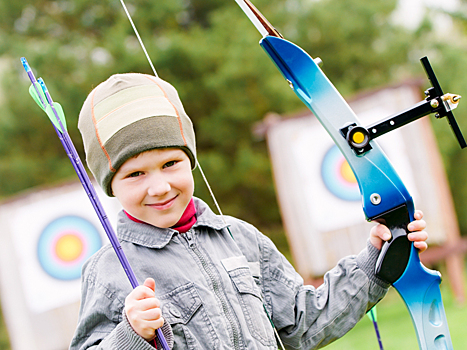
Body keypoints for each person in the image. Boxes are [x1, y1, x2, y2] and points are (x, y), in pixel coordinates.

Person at [70, 73, 428, 350]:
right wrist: (131, 335)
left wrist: (378, 261)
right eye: (135, 174)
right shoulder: (109, 271)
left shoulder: (239, 238)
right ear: (110, 186)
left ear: (190, 161)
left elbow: (304, 325)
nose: (159, 186)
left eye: (170, 163)